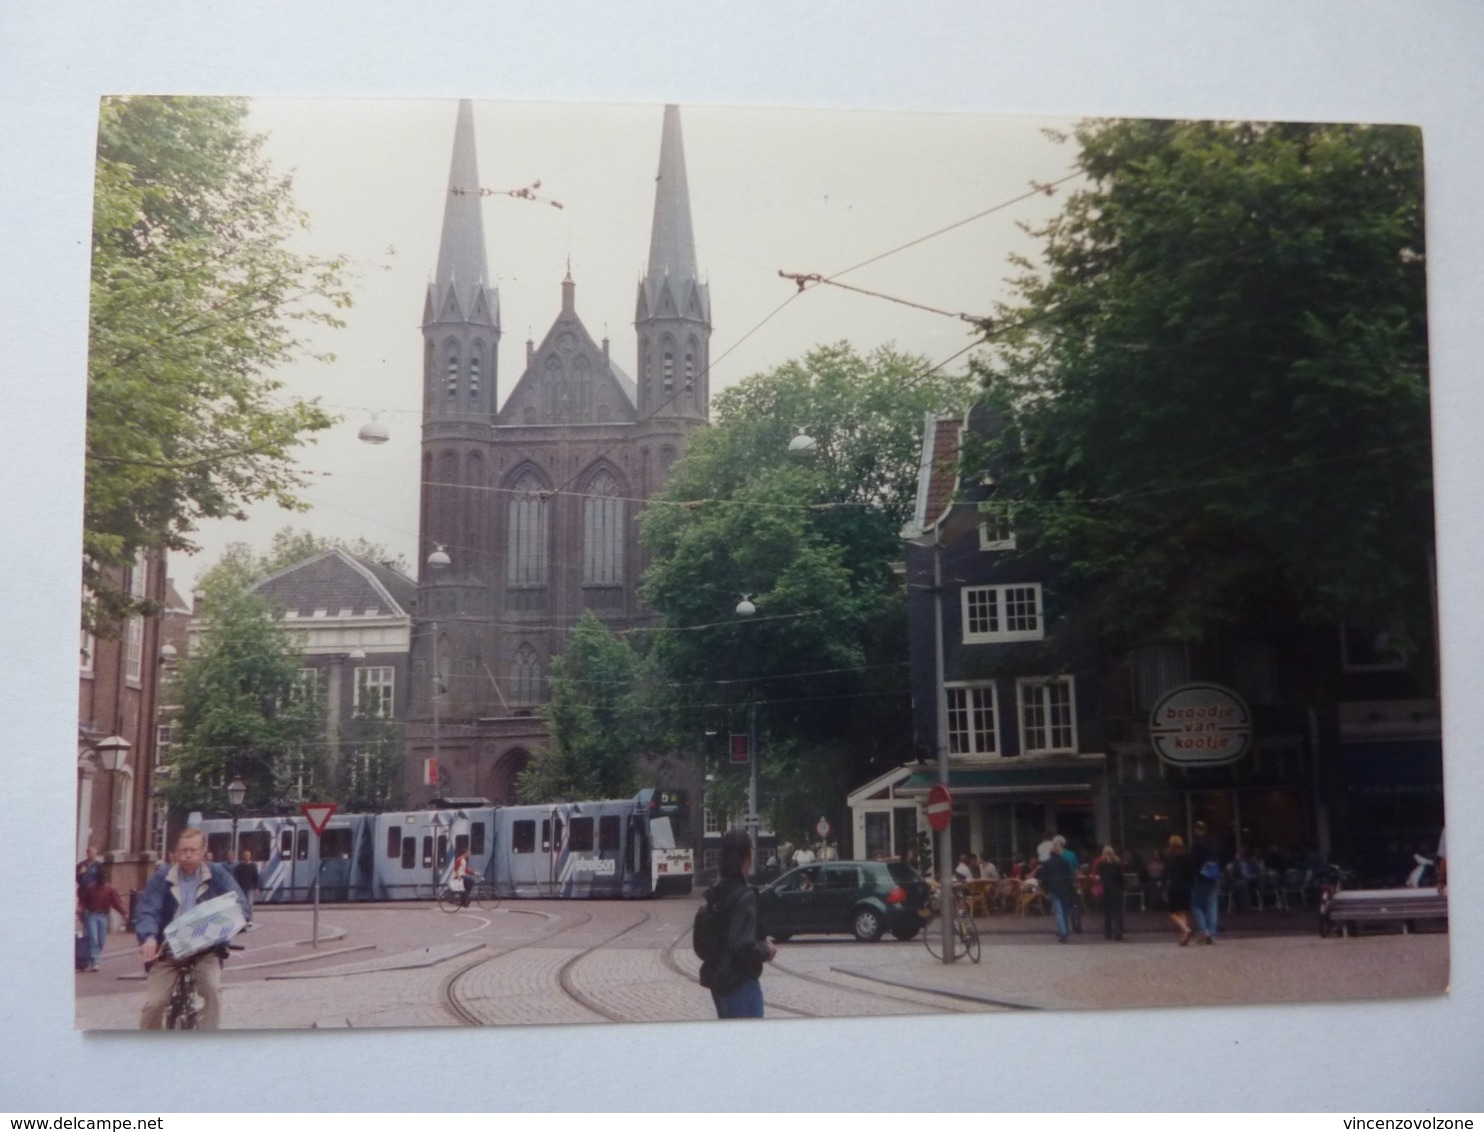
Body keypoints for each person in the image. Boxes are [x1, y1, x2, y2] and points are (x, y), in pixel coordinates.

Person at [135, 826, 249, 1029]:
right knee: (155, 1003)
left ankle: (207, 1044)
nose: (188, 855)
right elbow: (148, 909)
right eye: (183, 850)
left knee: (213, 992)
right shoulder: (162, 877)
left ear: (203, 851)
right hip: (168, 952)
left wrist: (238, 919)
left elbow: (239, 901)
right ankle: (148, 1049)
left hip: (205, 951)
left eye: (193, 850)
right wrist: (149, 937)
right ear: (175, 852)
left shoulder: (217, 874)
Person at [699, 829, 777, 1018]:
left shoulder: (716, 891)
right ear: (746, 858)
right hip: (741, 981)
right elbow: (742, 944)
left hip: (719, 981)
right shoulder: (745, 896)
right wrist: (766, 950)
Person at [77, 868, 128, 972]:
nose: (102, 880)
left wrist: (124, 913)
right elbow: (83, 901)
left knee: (101, 940)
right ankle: (95, 961)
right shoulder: (91, 888)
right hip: (92, 915)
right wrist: (80, 909)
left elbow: (116, 902)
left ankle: (92, 957)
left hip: (103, 916)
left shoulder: (110, 889)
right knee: (94, 939)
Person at [1031, 840, 1077, 943]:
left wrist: (1045, 890)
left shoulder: (1047, 863)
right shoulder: (1065, 862)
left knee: (1058, 912)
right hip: (1065, 889)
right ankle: (1065, 930)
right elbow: (1070, 877)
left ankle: (1063, 932)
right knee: (1065, 911)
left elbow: (1043, 878)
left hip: (1053, 889)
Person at [1189, 820, 1222, 944]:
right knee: (1212, 905)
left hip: (1200, 876)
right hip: (1213, 875)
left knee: (1196, 905)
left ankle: (1204, 931)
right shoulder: (1214, 842)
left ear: (1196, 830)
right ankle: (1212, 934)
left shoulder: (1197, 843)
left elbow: (1193, 861)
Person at [1164, 834, 1194, 945]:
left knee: (1172, 912)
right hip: (1185, 886)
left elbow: (1166, 873)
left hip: (1174, 886)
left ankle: (1186, 929)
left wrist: (1162, 885)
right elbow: (1190, 872)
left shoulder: (1169, 858)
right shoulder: (1186, 857)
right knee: (1182, 911)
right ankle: (1184, 937)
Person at [1095, 846, 1125, 941]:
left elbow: (1099, 878)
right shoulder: (1117, 864)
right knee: (1118, 912)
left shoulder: (1101, 865)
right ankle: (1118, 931)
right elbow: (1121, 878)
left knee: (1107, 913)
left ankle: (1108, 933)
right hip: (1117, 890)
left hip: (1106, 890)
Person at [234, 849, 261, 915]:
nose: (247, 857)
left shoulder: (253, 866)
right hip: (241, 887)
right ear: (243, 856)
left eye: (248, 856)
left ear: (250, 856)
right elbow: (236, 876)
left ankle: (249, 918)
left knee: (250, 903)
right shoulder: (240, 866)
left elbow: (256, 877)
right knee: (242, 903)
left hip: (250, 887)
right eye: (245, 855)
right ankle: (243, 917)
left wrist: (256, 887)